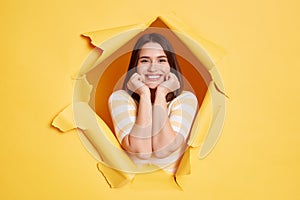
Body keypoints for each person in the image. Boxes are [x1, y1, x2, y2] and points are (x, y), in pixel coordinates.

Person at [108, 33, 198, 173]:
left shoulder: (186, 99)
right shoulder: (120, 99)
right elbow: (141, 152)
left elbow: (163, 150)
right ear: (135, 66)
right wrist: (144, 94)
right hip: (131, 189)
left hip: (173, 190)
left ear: (171, 65)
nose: (152, 68)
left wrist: (161, 93)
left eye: (161, 60)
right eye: (145, 60)